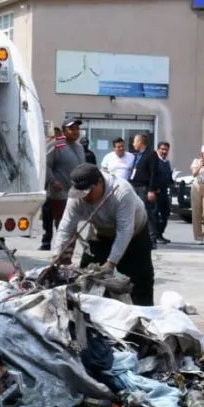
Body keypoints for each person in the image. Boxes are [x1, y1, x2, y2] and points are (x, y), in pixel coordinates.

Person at [53, 163, 154, 306]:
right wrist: (57, 255)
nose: (84, 198)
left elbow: (125, 231)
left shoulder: (121, 192)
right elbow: (65, 227)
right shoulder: (76, 196)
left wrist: (110, 263)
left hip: (134, 234)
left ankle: (146, 315)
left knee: (140, 280)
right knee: (85, 277)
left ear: (99, 182)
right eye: (81, 195)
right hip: (101, 233)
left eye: (88, 193)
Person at [42, 120, 86, 250]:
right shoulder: (57, 145)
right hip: (59, 192)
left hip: (75, 192)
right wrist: (53, 180)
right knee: (61, 221)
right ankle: (57, 248)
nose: (75, 132)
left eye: (77, 129)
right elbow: (45, 164)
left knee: (71, 222)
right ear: (64, 131)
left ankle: (66, 248)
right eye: (72, 129)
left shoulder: (80, 148)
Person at [129, 133, 161, 248]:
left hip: (144, 188)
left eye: (134, 141)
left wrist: (151, 190)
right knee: (135, 212)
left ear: (140, 142)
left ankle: (152, 239)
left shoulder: (151, 154)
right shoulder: (138, 155)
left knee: (147, 212)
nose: (133, 144)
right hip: (135, 186)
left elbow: (154, 173)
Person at [154, 141, 174, 243]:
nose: (164, 151)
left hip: (164, 192)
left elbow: (168, 176)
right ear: (158, 149)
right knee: (156, 215)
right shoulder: (154, 161)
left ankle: (160, 234)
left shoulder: (166, 162)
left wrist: (171, 181)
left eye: (166, 149)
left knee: (165, 214)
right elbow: (152, 176)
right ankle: (156, 236)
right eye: (162, 149)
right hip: (156, 192)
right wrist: (154, 188)